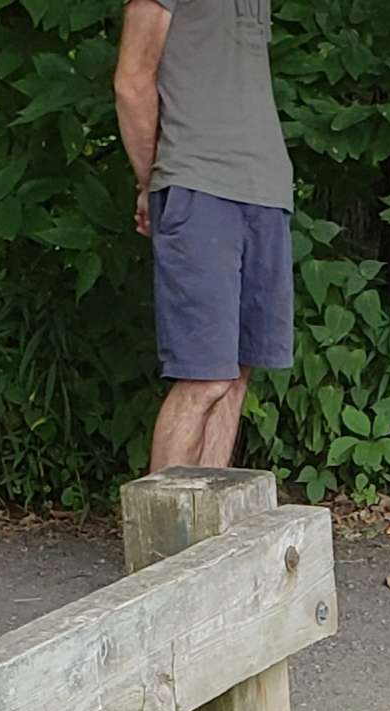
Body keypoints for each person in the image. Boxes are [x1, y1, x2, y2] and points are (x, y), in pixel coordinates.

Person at [113, 0, 294, 469]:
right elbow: (132, 81)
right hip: (198, 185)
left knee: (235, 375)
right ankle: (164, 537)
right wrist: (150, 182)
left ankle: (214, 536)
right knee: (204, 377)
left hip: (266, 188)